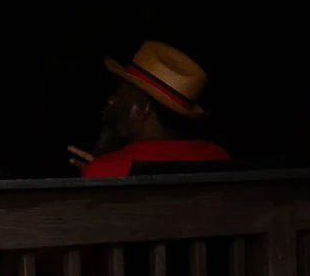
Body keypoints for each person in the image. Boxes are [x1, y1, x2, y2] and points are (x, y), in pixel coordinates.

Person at [70, 40, 229, 177]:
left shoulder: (106, 171)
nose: (110, 100)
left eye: (118, 95)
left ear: (141, 110)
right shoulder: (218, 157)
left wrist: (99, 173)